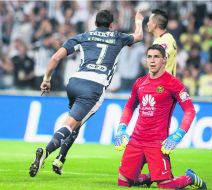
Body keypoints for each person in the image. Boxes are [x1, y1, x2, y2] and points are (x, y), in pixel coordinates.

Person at [29, 9, 144, 177]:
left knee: (76, 122)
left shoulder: (83, 36)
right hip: (94, 87)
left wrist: (46, 79)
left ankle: (60, 158)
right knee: (71, 124)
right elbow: (139, 36)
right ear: (111, 25)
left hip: (75, 82)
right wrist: (138, 20)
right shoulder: (118, 37)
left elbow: (55, 58)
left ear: (95, 24)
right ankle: (45, 152)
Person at [114, 44, 207, 189]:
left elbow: (190, 110)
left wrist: (178, 135)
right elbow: (129, 106)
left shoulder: (173, 84)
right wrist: (121, 128)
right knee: (123, 183)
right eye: (149, 57)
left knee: (165, 186)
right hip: (136, 140)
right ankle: (149, 178)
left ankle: (190, 178)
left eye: (156, 57)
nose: (152, 60)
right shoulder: (139, 83)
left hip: (157, 143)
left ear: (164, 59)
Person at [147, 9, 177, 76]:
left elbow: (161, 61)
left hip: (165, 84)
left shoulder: (166, 39)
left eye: (149, 21)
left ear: (154, 24)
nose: (147, 23)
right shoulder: (159, 39)